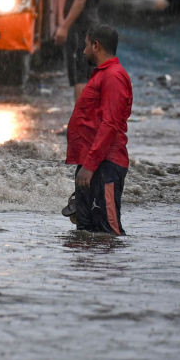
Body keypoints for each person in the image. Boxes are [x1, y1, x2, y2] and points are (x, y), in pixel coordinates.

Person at [62, 24, 132, 235]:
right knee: (84, 231)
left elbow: (110, 124)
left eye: (86, 46)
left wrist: (90, 166)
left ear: (96, 45)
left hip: (104, 166)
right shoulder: (102, 75)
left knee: (108, 232)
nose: (83, 52)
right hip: (90, 164)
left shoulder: (113, 77)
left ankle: (108, 268)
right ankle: (87, 268)